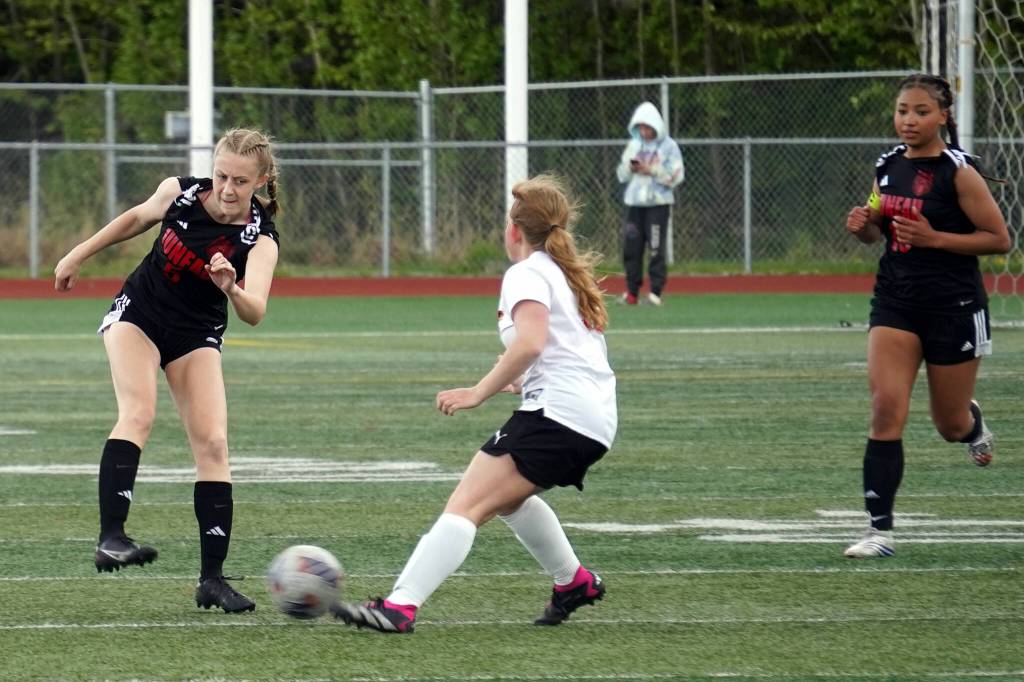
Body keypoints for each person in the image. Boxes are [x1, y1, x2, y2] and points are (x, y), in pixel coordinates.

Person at [332, 174, 617, 633]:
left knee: (465, 506)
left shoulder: (526, 272)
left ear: (514, 230)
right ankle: (574, 582)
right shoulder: (562, 271)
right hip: (591, 420)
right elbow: (560, 351)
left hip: (559, 416)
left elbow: (531, 342)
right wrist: (523, 381)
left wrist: (478, 391)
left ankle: (400, 606)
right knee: (507, 502)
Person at [53, 128, 282, 610]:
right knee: (138, 413)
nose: (226, 188)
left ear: (260, 181)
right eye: (221, 175)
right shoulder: (179, 193)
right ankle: (112, 538)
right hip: (140, 312)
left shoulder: (260, 238)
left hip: (195, 332)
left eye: (240, 181)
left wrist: (231, 287)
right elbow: (135, 218)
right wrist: (77, 254)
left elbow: (255, 310)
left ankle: (212, 580)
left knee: (214, 443)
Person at [843, 74, 1011, 558]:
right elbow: (879, 229)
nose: (909, 120)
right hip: (896, 302)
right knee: (884, 408)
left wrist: (936, 238)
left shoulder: (959, 173)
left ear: (943, 117)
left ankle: (973, 425)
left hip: (954, 307)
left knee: (949, 425)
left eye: (920, 111)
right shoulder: (888, 165)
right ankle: (879, 532)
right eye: (902, 111)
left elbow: (999, 239)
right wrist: (864, 225)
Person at [615, 101, 684, 306]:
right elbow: (621, 174)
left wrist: (652, 170)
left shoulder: (669, 146)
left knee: (655, 247)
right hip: (635, 204)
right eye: (640, 127)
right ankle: (632, 292)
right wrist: (631, 168)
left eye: (647, 127)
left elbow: (677, 175)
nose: (644, 132)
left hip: (658, 204)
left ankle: (655, 293)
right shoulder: (634, 145)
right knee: (632, 248)